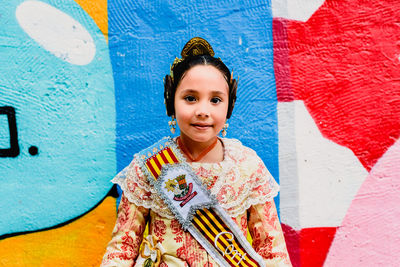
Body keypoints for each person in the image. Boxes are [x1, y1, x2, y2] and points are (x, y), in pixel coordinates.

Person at [101, 37, 292, 266]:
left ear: (229, 105)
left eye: (215, 100)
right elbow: (121, 250)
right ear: (171, 101)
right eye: (190, 98)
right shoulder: (149, 167)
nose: (203, 110)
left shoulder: (247, 166)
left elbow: (273, 252)